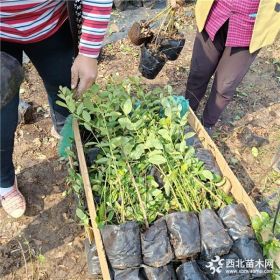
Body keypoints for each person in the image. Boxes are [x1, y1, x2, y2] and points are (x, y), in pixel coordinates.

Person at [0, 0, 113, 218]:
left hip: (51, 24)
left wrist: (89, 51)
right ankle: (4, 180)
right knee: (2, 121)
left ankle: (65, 133)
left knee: (64, 90)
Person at [174, 0, 280, 134]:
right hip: (215, 14)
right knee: (199, 72)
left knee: (224, 86)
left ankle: (207, 125)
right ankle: (187, 113)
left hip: (249, 28)